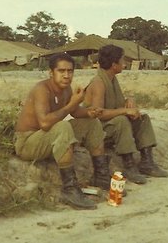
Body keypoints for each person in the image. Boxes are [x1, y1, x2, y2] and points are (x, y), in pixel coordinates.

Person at [14, 52, 111, 210]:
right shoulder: (42, 89)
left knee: (91, 123)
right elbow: (45, 123)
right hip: (27, 143)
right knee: (63, 126)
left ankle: (101, 176)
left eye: (70, 71)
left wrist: (89, 112)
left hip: (46, 138)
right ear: (51, 73)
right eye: (61, 71)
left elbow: (75, 112)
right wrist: (71, 104)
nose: (66, 75)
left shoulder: (65, 89)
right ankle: (70, 188)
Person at [83, 44, 168, 184]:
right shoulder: (98, 83)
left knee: (143, 119)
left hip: (110, 125)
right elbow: (98, 114)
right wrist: (125, 110)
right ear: (114, 64)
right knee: (122, 121)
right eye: (122, 61)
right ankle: (129, 166)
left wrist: (128, 101)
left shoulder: (111, 78)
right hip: (98, 131)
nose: (124, 64)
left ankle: (147, 162)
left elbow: (114, 104)